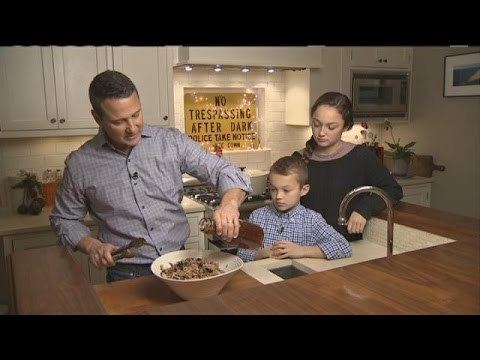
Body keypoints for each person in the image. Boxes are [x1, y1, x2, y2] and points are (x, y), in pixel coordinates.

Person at [49, 70, 252, 282]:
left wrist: (229, 204)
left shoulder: (171, 141)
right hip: (126, 273)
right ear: (97, 118)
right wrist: (92, 246)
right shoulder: (80, 163)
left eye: (136, 114)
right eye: (118, 121)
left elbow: (224, 171)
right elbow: (64, 219)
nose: (132, 127)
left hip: (181, 263)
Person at [293, 91, 403, 242]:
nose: (321, 132)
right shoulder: (298, 158)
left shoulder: (361, 157)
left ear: (346, 126)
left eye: (331, 127)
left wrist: (364, 209)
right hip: (303, 245)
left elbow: (393, 190)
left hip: (346, 246)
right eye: (316, 124)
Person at [237, 156, 352, 262]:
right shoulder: (257, 216)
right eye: (273, 189)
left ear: (304, 190)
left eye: (286, 190)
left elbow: (343, 247)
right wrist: (264, 253)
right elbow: (241, 254)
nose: (278, 196)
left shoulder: (311, 220)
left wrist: (301, 250)